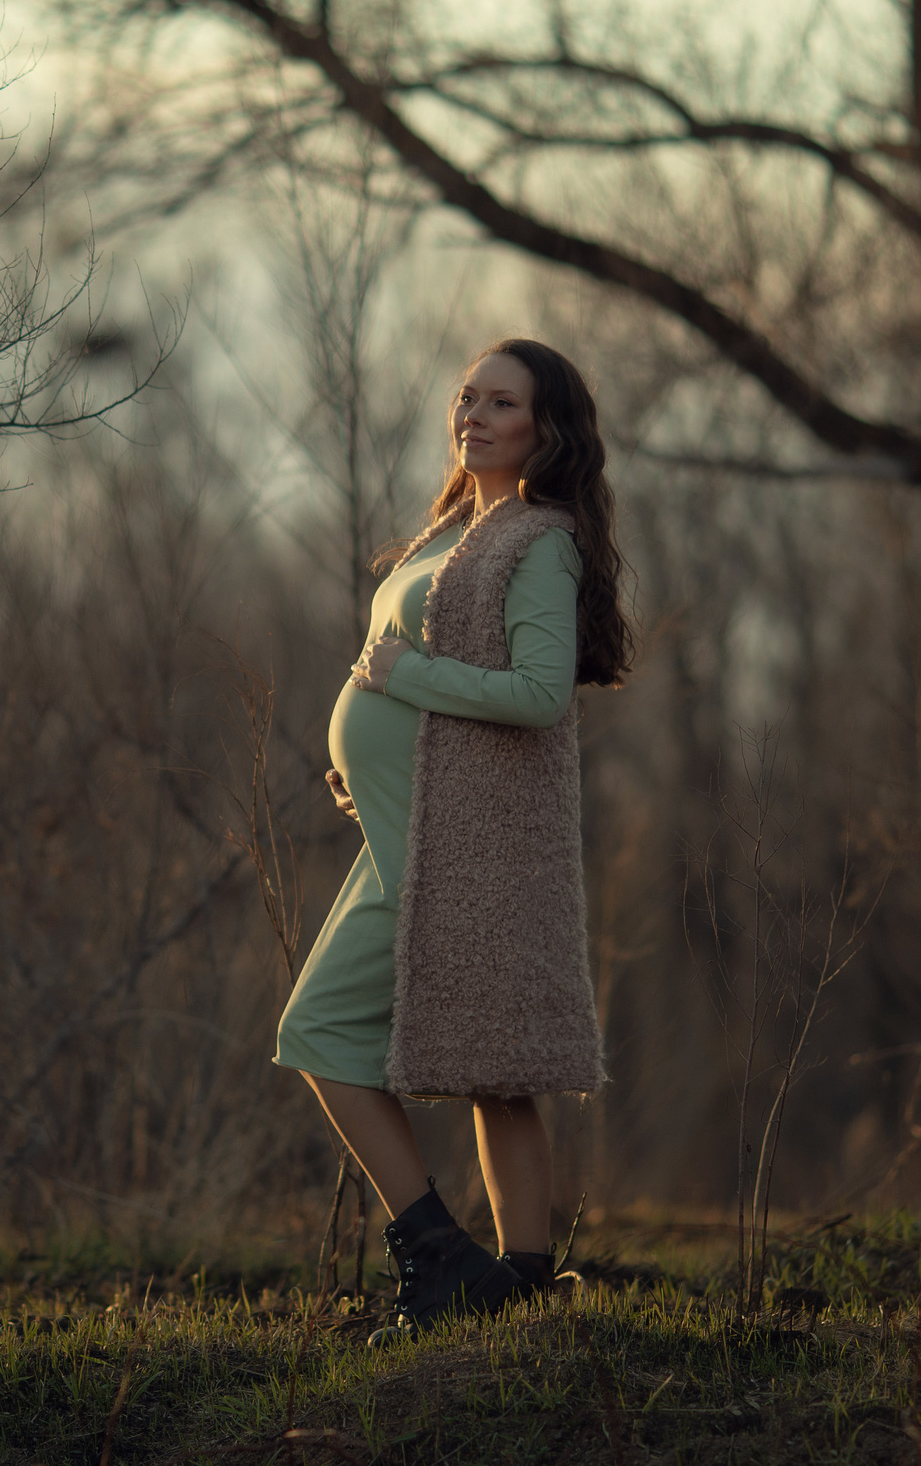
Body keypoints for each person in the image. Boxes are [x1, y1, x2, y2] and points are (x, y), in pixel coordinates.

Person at [274, 337, 632, 1340]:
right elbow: (387, 668)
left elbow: (533, 693)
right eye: (466, 395)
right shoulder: (450, 532)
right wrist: (360, 754)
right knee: (489, 1065)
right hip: (399, 822)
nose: (472, 413)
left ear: (544, 429)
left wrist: (401, 682)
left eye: (500, 401)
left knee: (326, 1031)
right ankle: (509, 1281)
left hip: (453, 845)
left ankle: (443, 1260)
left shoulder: (538, 540)